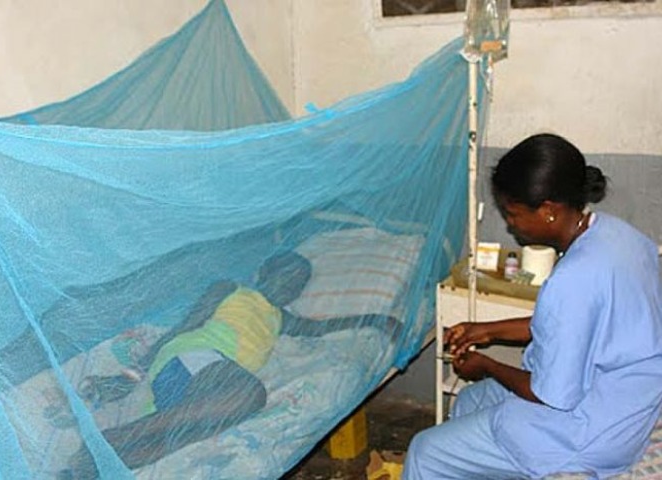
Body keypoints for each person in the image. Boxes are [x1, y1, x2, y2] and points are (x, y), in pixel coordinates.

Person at [403, 133, 662, 479]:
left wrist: (487, 365)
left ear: (549, 211)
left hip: (589, 429)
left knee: (427, 451)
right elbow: (574, 323)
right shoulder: (621, 236)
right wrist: (487, 330)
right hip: (631, 404)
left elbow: (550, 395)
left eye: (513, 214)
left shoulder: (572, 280)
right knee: (469, 401)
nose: (510, 223)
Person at [58, 250, 398, 478]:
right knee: (251, 394)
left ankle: (88, 468)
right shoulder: (231, 290)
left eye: (298, 283)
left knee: (183, 436)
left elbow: (320, 328)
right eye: (285, 275)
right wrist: (130, 376)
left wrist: (375, 318)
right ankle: (109, 438)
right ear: (262, 272)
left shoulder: (280, 318)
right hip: (190, 359)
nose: (290, 286)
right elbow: (183, 327)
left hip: (203, 391)